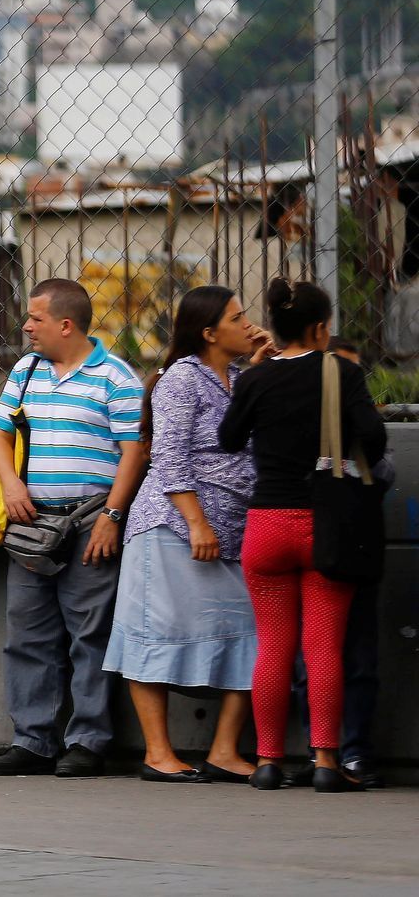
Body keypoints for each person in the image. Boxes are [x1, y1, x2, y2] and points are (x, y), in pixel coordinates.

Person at [218, 278, 386, 793]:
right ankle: (325, 762)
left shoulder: (256, 378)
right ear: (320, 328)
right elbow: (375, 444)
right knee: (323, 648)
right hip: (324, 526)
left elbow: (229, 439)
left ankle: (268, 761)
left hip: (266, 525)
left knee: (272, 647)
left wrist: (252, 377)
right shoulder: (341, 370)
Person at [0, 278, 145, 780]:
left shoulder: (117, 379)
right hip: (32, 523)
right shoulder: (26, 371)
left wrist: (112, 518)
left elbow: (135, 453)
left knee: (89, 634)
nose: (26, 327)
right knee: (27, 633)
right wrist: (10, 484)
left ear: (65, 324)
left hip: (91, 519)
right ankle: (33, 741)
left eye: (36, 318)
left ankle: (87, 741)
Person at [103, 286, 262, 784]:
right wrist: (197, 522)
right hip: (171, 529)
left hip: (233, 531)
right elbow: (169, 459)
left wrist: (267, 360)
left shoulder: (241, 378)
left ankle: (223, 751)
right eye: (238, 318)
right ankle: (157, 752)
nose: (248, 324)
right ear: (210, 332)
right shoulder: (180, 381)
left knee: (254, 638)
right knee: (153, 635)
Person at [305, 337, 393, 787]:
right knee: (322, 651)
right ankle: (328, 749)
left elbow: (386, 468)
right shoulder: (299, 423)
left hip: (351, 544)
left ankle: (349, 750)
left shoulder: (363, 432)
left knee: (355, 650)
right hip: (320, 541)